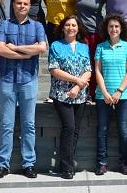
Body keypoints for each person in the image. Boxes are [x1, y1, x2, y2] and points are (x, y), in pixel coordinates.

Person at [0, 0, 47, 180]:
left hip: (29, 80)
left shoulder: (37, 26)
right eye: (19, 3)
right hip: (7, 80)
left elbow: (41, 48)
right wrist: (25, 54)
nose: (22, 6)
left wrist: (13, 48)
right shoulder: (3, 24)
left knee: (28, 125)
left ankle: (28, 164)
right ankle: (2, 164)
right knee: (6, 125)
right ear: (13, 5)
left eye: (25, 4)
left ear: (30, 6)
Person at [48, 15, 92, 180]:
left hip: (79, 95)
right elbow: (54, 70)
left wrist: (77, 86)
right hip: (62, 94)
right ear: (63, 28)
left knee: (75, 131)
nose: (71, 28)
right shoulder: (56, 45)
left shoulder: (83, 46)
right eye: (67, 25)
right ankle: (66, 167)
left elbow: (88, 69)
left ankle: (66, 163)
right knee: (69, 128)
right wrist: (76, 81)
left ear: (78, 28)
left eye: (74, 25)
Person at [93, 15, 127, 176]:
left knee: (123, 130)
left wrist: (118, 91)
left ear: (121, 28)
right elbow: (97, 70)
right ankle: (101, 163)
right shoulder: (100, 47)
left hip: (123, 96)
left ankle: (124, 163)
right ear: (107, 29)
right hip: (102, 95)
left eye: (117, 26)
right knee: (102, 129)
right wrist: (104, 92)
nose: (114, 29)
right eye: (111, 26)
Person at [76, 0, 106, 100]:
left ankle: (93, 94)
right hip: (81, 33)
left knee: (94, 64)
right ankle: (83, 91)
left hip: (95, 32)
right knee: (82, 63)